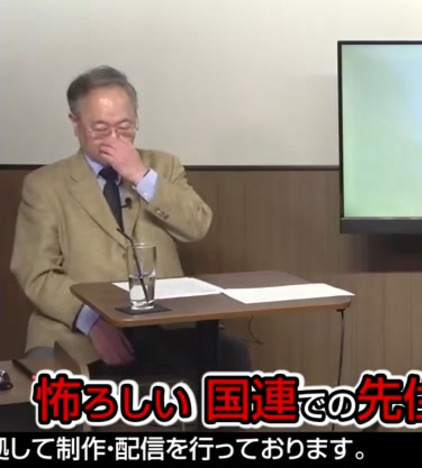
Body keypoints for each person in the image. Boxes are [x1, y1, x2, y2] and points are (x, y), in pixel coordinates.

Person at [10, 65, 252, 378]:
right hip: (78, 332)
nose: (114, 138)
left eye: (125, 127)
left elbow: (197, 225)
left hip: (165, 324)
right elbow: (36, 272)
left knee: (230, 353)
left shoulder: (164, 165)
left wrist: (140, 175)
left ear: (136, 119)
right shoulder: (44, 185)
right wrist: (92, 322)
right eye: (100, 129)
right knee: (57, 378)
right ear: (75, 123)